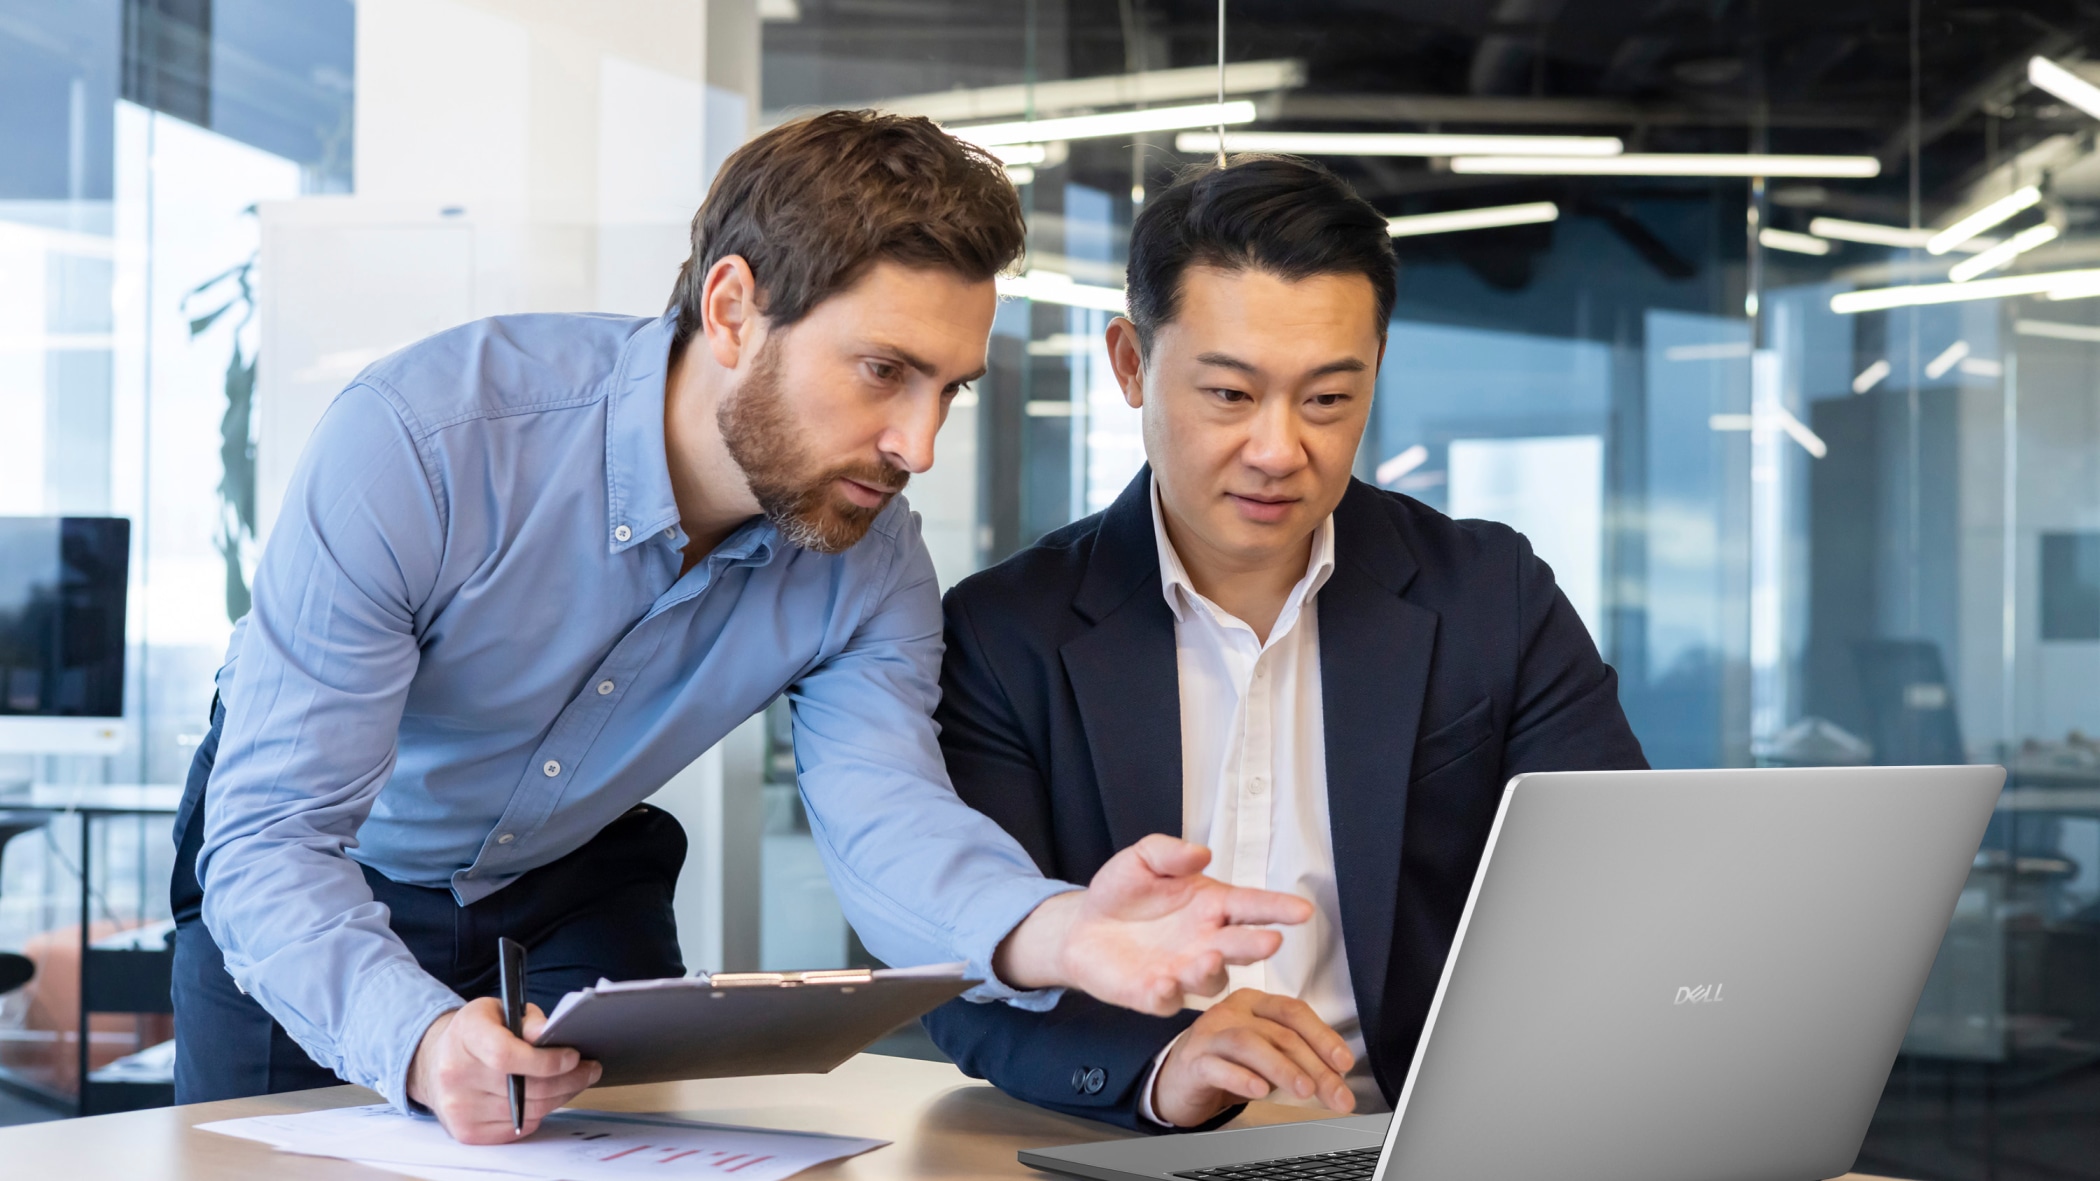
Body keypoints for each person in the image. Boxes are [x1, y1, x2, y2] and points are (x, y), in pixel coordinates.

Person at [170, 112, 1315, 1145]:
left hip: (571, 878)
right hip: (315, 866)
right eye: (883, 371)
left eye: (949, 388)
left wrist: (1062, 928)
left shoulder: (873, 558)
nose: (917, 444)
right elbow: (274, 835)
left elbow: (889, 818)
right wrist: (415, 1041)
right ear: (731, 309)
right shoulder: (428, 444)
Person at [921, 156, 1649, 1130]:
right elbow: (963, 976)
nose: (1278, 449)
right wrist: (1164, 1064)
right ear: (1131, 364)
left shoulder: (1490, 594)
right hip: (1138, 1138)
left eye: (1327, 400)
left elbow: (1620, 890)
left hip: (1414, 1138)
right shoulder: (1004, 631)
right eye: (1229, 394)